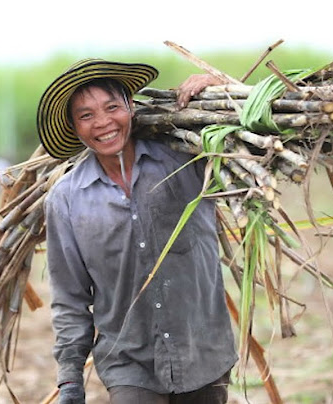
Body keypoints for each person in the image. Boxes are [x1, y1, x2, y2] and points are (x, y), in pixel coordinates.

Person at [37, 59, 238, 404]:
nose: (102, 123)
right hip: (130, 366)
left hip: (204, 353)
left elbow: (256, 138)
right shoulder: (67, 200)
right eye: (86, 115)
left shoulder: (187, 158)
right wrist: (70, 381)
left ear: (131, 107)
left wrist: (222, 87)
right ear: (74, 127)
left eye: (112, 107)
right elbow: (70, 298)